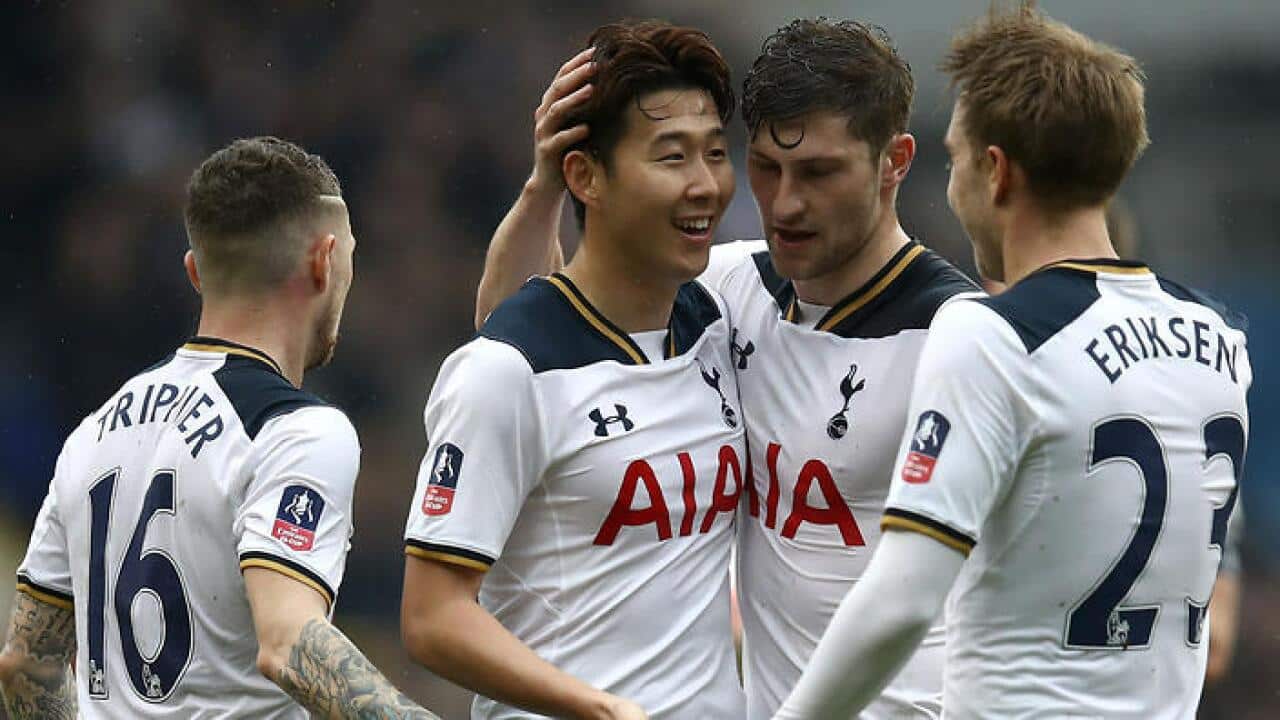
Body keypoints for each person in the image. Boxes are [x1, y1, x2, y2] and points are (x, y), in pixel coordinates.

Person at [473, 18, 978, 719]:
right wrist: (545, 188)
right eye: (767, 168)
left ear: (895, 160)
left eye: (820, 172)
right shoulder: (732, 291)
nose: (787, 203)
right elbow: (517, 334)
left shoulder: (962, 337)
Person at [774, 4, 1250, 717]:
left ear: (996, 172)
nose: (952, 185)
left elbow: (902, 600)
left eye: (957, 159)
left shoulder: (993, 336)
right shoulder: (1221, 343)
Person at [0, 137, 437, 719]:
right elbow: (288, 643)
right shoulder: (296, 430)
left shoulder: (91, 436)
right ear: (324, 260)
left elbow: (26, 662)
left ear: (195, 272)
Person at [401, 21, 744, 720]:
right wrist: (598, 707)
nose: (706, 184)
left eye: (715, 153)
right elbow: (431, 619)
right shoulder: (506, 372)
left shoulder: (721, 320)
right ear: (586, 176)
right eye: (672, 157)